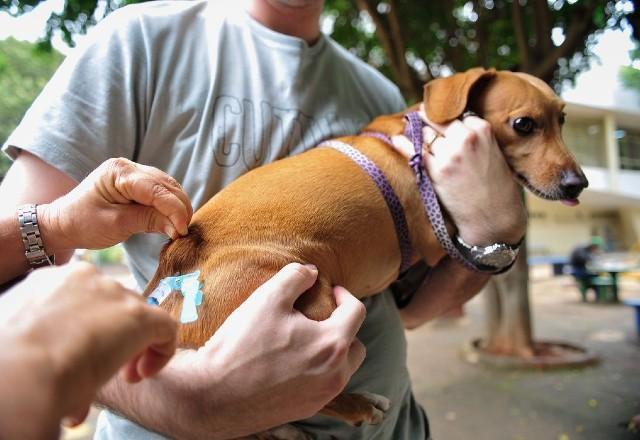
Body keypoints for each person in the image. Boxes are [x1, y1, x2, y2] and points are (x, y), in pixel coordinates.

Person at [0, 1, 526, 439]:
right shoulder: (137, 41)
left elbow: (409, 311)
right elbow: (15, 299)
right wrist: (189, 402)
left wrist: (494, 238)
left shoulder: (380, 98)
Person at [569, 237, 603, 301]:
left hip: (581, 268)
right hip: (577, 270)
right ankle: (598, 295)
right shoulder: (581, 249)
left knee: (596, 276)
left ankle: (598, 294)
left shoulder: (586, 249)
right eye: (596, 247)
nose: (596, 249)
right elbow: (586, 259)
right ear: (593, 246)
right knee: (596, 276)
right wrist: (594, 257)